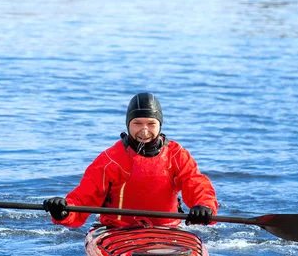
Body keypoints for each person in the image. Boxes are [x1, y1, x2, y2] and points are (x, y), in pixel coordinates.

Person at [43, 92, 218, 228]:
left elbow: (196, 183)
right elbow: (85, 196)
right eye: (137, 123)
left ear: (160, 125)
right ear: (128, 125)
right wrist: (63, 211)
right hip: (117, 230)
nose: (144, 130)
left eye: (151, 124)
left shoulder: (177, 155)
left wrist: (204, 206)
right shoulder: (111, 159)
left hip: (167, 231)